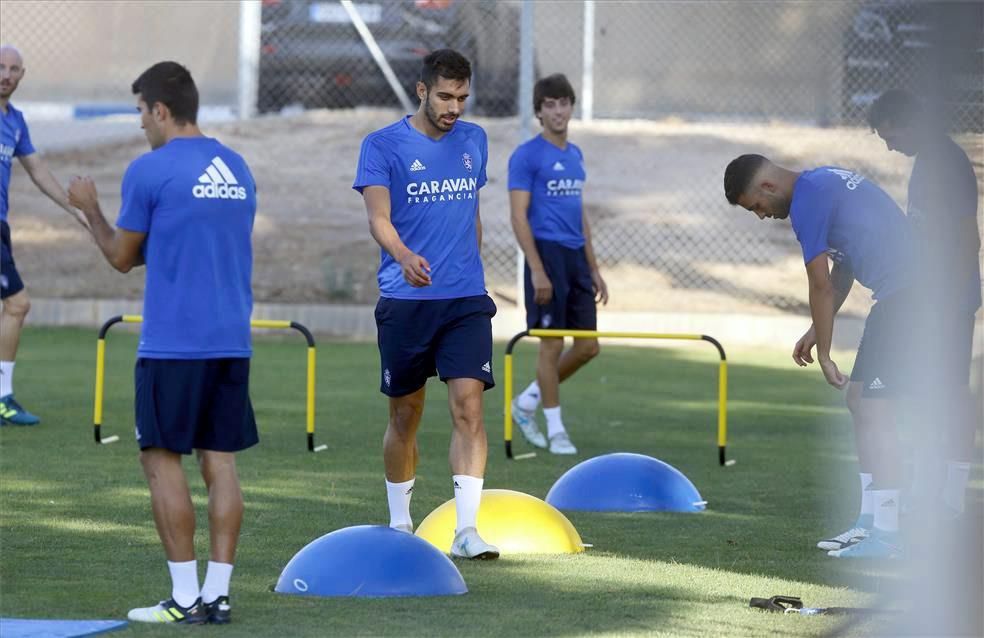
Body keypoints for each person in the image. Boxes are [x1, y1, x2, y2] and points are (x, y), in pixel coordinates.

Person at [68, 61, 257, 623]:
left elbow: (122, 257)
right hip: (232, 340)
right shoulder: (238, 167)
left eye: (140, 113)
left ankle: (182, 599)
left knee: (160, 459)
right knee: (219, 462)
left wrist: (90, 210)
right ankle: (217, 595)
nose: (140, 125)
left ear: (161, 110)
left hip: (175, 343)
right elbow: (190, 241)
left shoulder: (149, 170)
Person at [724, 154, 912, 558]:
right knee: (862, 403)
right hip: (905, 292)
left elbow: (820, 284)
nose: (760, 216)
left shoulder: (807, 201)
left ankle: (890, 533)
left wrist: (825, 353)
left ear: (768, 188)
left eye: (755, 206)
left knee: (874, 411)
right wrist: (816, 330)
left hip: (909, 294)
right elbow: (844, 270)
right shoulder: (821, 182)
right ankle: (869, 523)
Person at [353, 49, 499, 560]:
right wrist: (403, 255)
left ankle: (466, 531)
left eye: (462, 97)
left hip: (464, 299)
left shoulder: (475, 140)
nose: (454, 107)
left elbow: (472, 213)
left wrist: (471, 269)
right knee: (405, 416)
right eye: (444, 96)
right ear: (421, 91)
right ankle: (400, 524)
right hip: (406, 299)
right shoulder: (382, 146)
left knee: (469, 407)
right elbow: (378, 217)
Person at [868, 89, 980, 517]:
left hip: (948, 301)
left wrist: (946, 302)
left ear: (905, 120)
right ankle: (925, 486)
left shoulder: (947, 163)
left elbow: (968, 238)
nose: (889, 144)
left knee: (949, 394)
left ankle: (949, 497)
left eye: (888, 134)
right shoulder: (927, 163)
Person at [508, 73, 608, 455]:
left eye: (563, 102)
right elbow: (519, 216)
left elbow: (578, 213)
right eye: (549, 104)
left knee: (588, 348)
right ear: (539, 111)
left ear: (571, 106)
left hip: (575, 259)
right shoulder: (527, 156)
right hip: (546, 255)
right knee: (551, 348)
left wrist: (594, 267)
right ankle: (556, 429)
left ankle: (527, 402)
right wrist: (536, 268)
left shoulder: (576, 154)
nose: (558, 111)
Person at [0, 44, 88, 426]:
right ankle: (2, 398)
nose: (6, 74)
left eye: (13, 69)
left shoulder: (16, 122)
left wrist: (76, 210)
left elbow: (38, 171)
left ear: (22, 75)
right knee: (17, 304)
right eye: (0, 67)